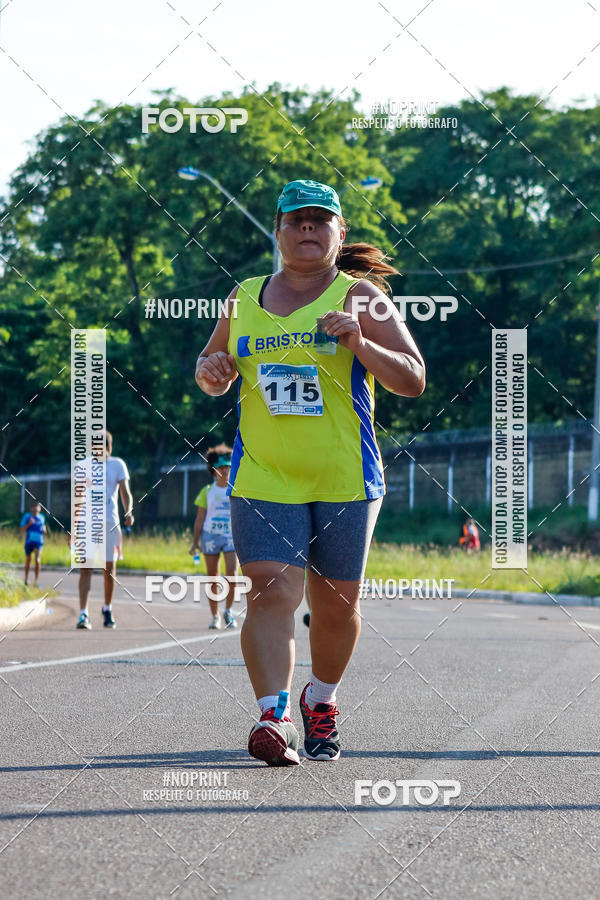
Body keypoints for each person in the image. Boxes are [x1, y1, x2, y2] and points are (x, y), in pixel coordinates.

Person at [195, 179, 425, 766]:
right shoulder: (243, 297)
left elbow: (412, 378)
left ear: (338, 233)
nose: (307, 229)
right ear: (277, 230)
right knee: (271, 592)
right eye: (296, 220)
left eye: (320, 220)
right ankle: (273, 717)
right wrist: (212, 369)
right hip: (265, 475)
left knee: (335, 607)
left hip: (346, 477)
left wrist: (360, 343)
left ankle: (320, 699)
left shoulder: (363, 298)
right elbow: (210, 364)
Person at [75, 430, 134, 630]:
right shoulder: (84, 466)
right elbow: (79, 498)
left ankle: (107, 608)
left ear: (109, 447)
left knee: (109, 570)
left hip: (110, 523)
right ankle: (83, 614)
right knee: (86, 569)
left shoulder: (118, 465)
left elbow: (126, 493)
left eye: (103, 447)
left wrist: (129, 511)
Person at [189, 444, 238, 630]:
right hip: (210, 536)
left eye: (228, 466)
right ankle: (215, 615)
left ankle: (229, 611)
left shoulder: (236, 490)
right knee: (213, 577)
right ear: (214, 469)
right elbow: (199, 519)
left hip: (231, 536)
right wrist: (195, 542)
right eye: (221, 467)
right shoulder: (207, 492)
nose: (225, 470)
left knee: (232, 575)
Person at [20, 500, 47, 587]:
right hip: (29, 542)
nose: (36, 508)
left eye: (37, 506)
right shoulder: (27, 517)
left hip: (38, 542)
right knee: (28, 560)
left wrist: (44, 530)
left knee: (37, 560)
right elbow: (22, 529)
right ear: (31, 508)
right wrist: (29, 524)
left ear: (40, 508)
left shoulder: (42, 517)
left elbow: (44, 529)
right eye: (34, 506)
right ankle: (26, 579)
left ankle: (36, 581)